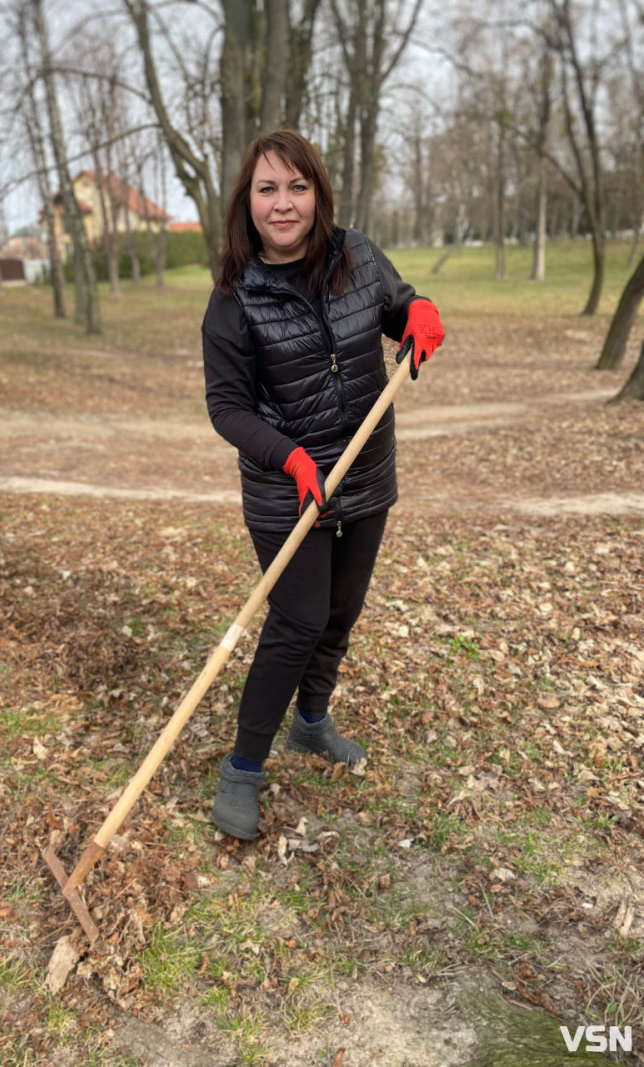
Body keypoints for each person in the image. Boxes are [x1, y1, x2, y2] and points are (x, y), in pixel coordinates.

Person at [201, 129, 445, 841]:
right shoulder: (233, 299)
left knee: (341, 612)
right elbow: (228, 408)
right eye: (267, 188)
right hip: (289, 488)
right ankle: (243, 768)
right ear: (247, 201)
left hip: (367, 470)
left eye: (297, 187)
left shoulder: (358, 253)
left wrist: (419, 312)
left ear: (318, 193)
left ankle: (312, 722)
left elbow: (396, 306)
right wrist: (290, 458)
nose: (284, 203)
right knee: (297, 621)